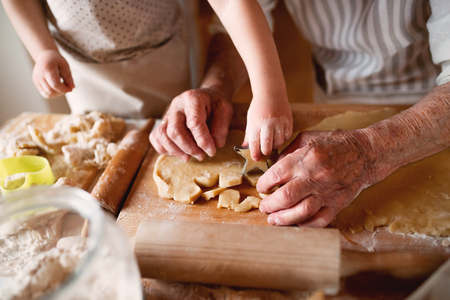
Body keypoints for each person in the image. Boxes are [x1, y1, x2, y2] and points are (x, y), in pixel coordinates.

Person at [154, 0, 450, 228]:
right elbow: (240, 11)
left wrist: (369, 151)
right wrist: (217, 86)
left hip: (427, 106)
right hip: (331, 90)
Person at [2, 0, 293, 161]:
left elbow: (231, 4)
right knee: (100, 146)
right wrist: (42, 51)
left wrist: (269, 92)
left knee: (181, 131)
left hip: (161, 52)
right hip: (80, 65)